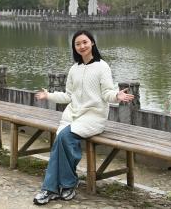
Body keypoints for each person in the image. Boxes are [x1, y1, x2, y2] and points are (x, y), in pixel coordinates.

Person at [32, 30, 134, 205]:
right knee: (61, 140)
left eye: (85, 42)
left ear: (92, 42)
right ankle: (61, 186)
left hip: (93, 117)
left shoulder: (102, 67)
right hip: (73, 116)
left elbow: (107, 93)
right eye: (78, 44)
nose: (82, 46)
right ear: (74, 47)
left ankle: (55, 187)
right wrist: (48, 95)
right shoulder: (74, 69)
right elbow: (68, 96)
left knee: (63, 137)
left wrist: (117, 96)